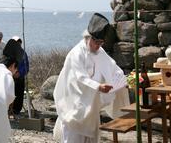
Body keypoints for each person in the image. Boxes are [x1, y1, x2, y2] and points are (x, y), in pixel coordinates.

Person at [53, 13, 130, 143]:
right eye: (96, 42)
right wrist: (98, 86)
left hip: (92, 106)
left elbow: (113, 67)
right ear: (89, 37)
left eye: (101, 43)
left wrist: (123, 80)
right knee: (73, 138)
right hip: (75, 105)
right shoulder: (76, 53)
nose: (98, 46)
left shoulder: (100, 52)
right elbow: (80, 77)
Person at [11, 36, 29, 115]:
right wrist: (13, 73)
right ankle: (10, 110)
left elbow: (26, 66)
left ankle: (17, 110)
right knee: (11, 94)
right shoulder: (9, 54)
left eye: (19, 43)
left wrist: (20, 73)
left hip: (20, 78)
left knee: (19, 94)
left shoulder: (23, 54)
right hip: (11, 77)